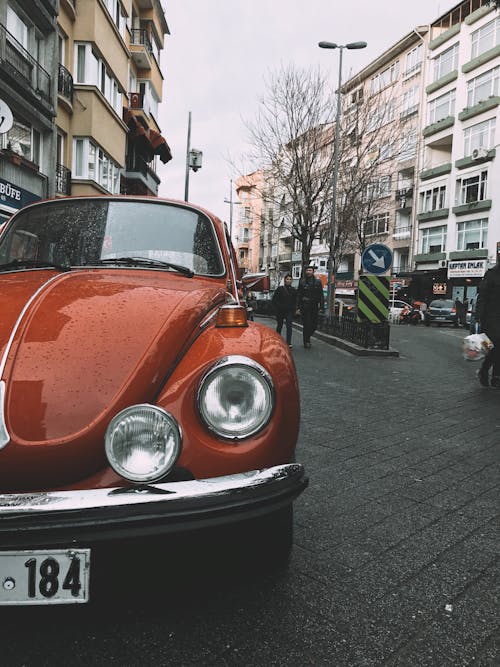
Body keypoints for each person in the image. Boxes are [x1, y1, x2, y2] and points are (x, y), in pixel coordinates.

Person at [476, 258, 500, 388]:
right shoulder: (491, 274)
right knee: (494, 346)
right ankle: (485, 371)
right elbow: (482, 296)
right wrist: (478, 316)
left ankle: (495, 376)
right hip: (491, 318)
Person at [297, 265, 324, 348]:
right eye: (307, 270)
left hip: (314, 306)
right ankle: (306, 341)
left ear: (313, 272)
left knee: (314, 325)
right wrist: (298, 307)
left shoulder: (318, 282)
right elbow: (299, 295)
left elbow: (321, 295)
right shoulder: (302, 282)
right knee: (307, 324)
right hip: (305, 306)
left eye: (310, 270)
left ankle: (307, 336)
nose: (308, 272)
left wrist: (321, 307)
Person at [272, 274, 297, 348]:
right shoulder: (280, 289)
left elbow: (295, 301)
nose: (289, 280)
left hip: (289, 311)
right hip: (280, 311)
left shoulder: (293, 290)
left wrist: (295, 309)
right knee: (280, 325)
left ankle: (288, 342)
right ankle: (278, 340)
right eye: (287, 279)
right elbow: (274, 300)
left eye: (290, 279)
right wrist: (278, 307)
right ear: (285, 280)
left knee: (289, 327)